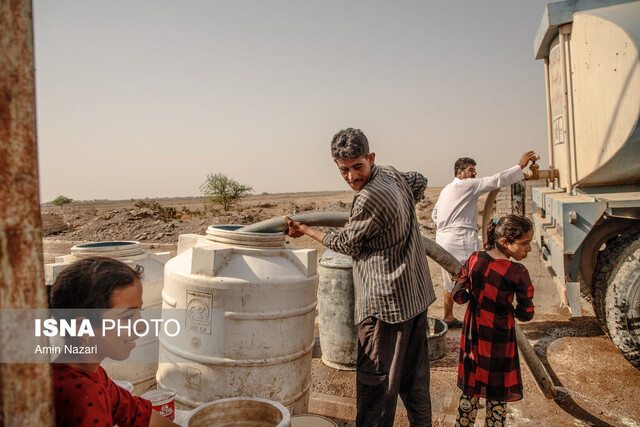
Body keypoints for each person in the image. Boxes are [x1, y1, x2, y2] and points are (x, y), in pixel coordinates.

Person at [284, 128, 436, 426]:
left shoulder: (368, 198)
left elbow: (346, 244)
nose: (352, 177)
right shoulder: (392, 175)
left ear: (370, 158)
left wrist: (305, 230)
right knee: (414, 382)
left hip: (386, 307)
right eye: (344, 170)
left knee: (376, 387)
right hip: (416, 297)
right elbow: (420, 180)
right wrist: (403, 209)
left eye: (358, 167)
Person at [48, 256, 178, 427]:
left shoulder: (93, 373)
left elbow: (138, 414)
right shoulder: (82, 395)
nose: (141, 327)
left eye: (140, 311)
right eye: (127, 317)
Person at [431, 151, 537, 329]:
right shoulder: (467, 185)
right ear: (460, 173)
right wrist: (519, 167)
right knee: (474, 280)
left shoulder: (447, 189)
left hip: (443, 239)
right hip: (460, 240)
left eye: (474, 170)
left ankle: (448, 317)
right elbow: (496, 180)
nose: (474, 174)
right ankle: (480, 321)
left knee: (450, 282)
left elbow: (435, 215)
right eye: (470, 170)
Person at [452, 214, 535, 427]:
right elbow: (526, 312)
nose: (529, 249)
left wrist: (476, 299)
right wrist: (512, 311)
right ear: (505, 242)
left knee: (470, 388)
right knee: (497, 390)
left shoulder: (475, 258)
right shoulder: (518, 272)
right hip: (499, 336)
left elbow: (458, 295)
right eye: (525, 243)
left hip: (473, 330)